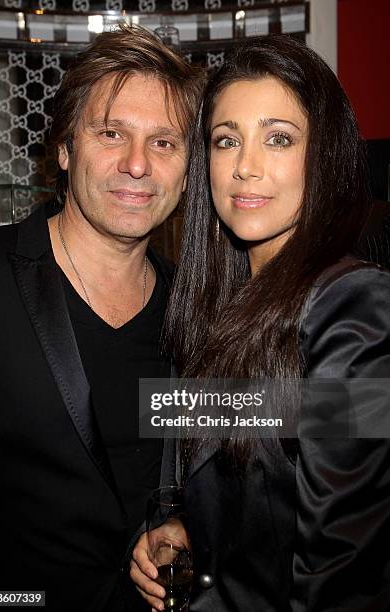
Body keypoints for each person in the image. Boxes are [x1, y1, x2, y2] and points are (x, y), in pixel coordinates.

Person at [130, 35, 390, 611]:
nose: (245, 167)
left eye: (278, 138)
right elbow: (223, 459)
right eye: (226, 141)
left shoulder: (355, 308)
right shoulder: (207, 307)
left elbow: (340, 574)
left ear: (324, 155)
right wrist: (179, 524)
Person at [0, 24, 201, 612]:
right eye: (112, 133)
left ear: (187, 169)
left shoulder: (198, 311)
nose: (137, 165)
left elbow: (311, 421)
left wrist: (184, 526)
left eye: (164, 142)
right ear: (64, 147)